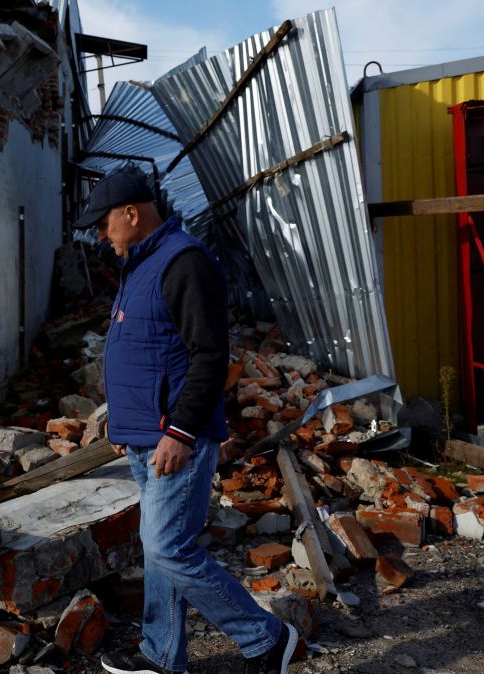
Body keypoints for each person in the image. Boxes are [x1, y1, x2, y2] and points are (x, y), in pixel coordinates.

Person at [72, 171, 297, 674]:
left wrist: (181, 430)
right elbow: (148, 349)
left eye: (106, 225)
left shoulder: (185, 262)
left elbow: (209, 357)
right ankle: (161, 653)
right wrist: (123, 422)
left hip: (175, 439)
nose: (102, 238)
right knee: (159, 552)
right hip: (144, 436)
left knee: (168, 546)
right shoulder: (142, 263)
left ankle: (265, 638)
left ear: (131, 215)